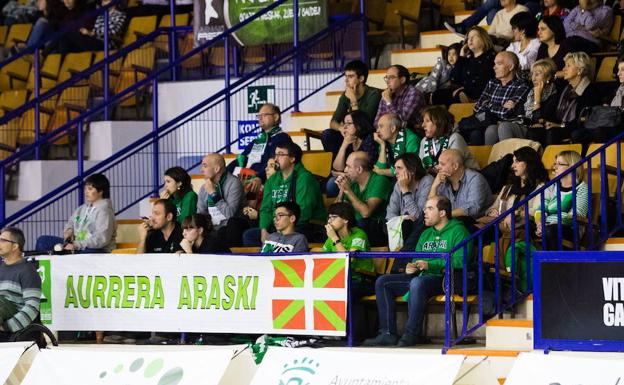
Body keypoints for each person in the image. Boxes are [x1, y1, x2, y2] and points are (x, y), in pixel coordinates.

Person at [363, 195, 472, 347]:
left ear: (442, 213)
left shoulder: (459, 232)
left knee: (417, 282)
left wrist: (430, 265)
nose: (424, 212)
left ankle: (413, 333)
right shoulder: (426, 233)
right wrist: (412, 266)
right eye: (425, 208)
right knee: (383, 281)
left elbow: (461, 261)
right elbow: (417, 258)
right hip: (421, 276)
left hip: (445, 278)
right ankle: (387, 333)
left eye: (430, 208)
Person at [243, 142, 326, 246]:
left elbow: (304, 212)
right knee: (250, 235)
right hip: (279, 225)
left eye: (281, 154)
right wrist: (264, 230)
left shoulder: (305, 178)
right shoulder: (272, 180)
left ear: (292, 159)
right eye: (275, 154)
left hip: (304, 226)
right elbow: (266, 209)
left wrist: (282, 229)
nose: (276, 159)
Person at [459, 51, 530, 145]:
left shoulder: (521, 86)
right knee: (476, 133)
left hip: (507, 125)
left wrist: (488, 104)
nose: (494, 67)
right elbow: (477, 109)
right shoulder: (492, 83)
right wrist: (499, 106)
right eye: (494, 63)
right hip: (488, 122)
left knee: (491, 130)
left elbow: (506, 113)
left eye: (499, 63)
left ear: (511, 67)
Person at [35, 173, 116, 253]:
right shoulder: (82, 209)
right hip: (78, 245)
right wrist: (69, 231)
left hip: (97, 249)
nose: (86, 192)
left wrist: (77, 245)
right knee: (42, 241)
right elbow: (71, 222)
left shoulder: (105, 211)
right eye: (85, 189)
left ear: (101, 191)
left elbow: (101, 239)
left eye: (90, 189)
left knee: (82, 253)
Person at [536, 52, 602, 145]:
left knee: (552, 132)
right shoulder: (564, 89)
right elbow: (549, 112)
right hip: (561, 127)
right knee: (534, 132)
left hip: (578, 129)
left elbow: (583, 120)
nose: (564, 69)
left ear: (580, 70)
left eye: (568, 66)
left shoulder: (590, 91)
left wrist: (560, 125)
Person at [226, 103, 292, 193]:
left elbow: (273, 163)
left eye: (264, 115)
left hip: (262, 181)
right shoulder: (258, 139)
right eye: (259, 116)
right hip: (245, 177)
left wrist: (259, 177)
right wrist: (223, 174)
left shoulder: (282, 138)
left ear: (276, 117)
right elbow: (241, 158)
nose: (260, 118)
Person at [322, 60, 381, 157]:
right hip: (350, 135)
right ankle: (338, 168)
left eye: (350, 76)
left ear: (361, 78)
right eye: (346, 76)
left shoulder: (373, 94)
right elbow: (333, 122)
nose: (346, 80)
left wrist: (353, 100)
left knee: (364, 135)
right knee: (328, 134)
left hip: (366, 135)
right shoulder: (346, 95)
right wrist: (341, 128)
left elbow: (363, 124)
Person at [534, 150, 588, 250]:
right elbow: (540, 209)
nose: (555, 167)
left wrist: (556, 223)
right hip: (548, 227)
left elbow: (577, 214)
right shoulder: (551, 186)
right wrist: (539, 224)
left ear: (572, 167)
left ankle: (553, 264)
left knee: (551, 230)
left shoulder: (582, 188)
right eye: (555, 163)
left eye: (560, 164)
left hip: (570, 229)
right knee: (524, 230)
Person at [336, 151, 393, 246]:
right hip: (355, 228)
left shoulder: (380, 181)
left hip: (376, 229)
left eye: (348, 166)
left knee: (363, 223)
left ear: (359, 169)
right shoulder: (352, 183)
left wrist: (348, 190)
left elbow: (366, 213)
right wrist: (342, 191)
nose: (345, 170)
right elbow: (336, 212)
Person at [498, 59, 560, 141]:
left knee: (505, 127)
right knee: (493, 128)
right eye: (532, 74)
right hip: (525, 126)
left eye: (537, 74)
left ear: (548, 77)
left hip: (539, 131)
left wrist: (537, 98)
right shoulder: (530, 92)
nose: (533, 78)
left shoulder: (554, 95)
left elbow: (538, 120)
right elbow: (519, 113)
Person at [431, 27, 496, 106]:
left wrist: (463, 89)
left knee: (457, 95)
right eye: (468, 38)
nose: (470, 40)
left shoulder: (491, 57)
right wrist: (461, 57)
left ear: (483, 38)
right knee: (436, 94)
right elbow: (454, 79)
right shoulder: (467, 59)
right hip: (464, 92)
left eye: (474, 36)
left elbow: (484, 80)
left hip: (481, 93)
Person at [323, 202, 374, 297]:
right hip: (340, 279)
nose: (329, 221)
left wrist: (334, 238)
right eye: (328, 218)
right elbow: (323, 261)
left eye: (333, 217)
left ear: (346, 219)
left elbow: (348, 260)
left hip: (361, 279)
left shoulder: (359, 235)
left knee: (340, 293)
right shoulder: (331, 239)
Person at [0, 227, 41, 341]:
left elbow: (32, 308)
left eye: (3, 240)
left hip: (15, 329)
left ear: (15, 246)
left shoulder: (28, 271)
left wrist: (6, 327)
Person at [385, 154, 434, 248]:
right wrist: (402, 219)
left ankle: (404, 255)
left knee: (408, 225)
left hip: (420, 226)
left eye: (399, 168)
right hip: (403, 224)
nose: (395, 172)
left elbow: (419, 216)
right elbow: (390, 214)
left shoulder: (427, 181)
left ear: (412, 170)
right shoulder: (398, 184)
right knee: (386, 225)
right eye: (395, 168)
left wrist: (405, 190)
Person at [429, 149, 493, 220]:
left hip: (476, 223)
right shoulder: (443, 181)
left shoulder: (475, 179)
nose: (438, 167)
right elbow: (431, 207)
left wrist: (444, 215)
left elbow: (473, 209)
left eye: (442, 164)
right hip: (454, 222)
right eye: (438, 163)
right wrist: (434, 186)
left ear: (455, 166)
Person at [326, 110, 378, 197]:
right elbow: (337, 167)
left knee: (332, 183)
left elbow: (367, 168)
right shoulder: (348, 140)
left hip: (365, 177)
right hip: (351, 176)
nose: (344, 127)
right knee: (332, 183)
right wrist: (344, 145)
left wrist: (343, 174)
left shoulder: (369, 139)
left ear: (359, 125)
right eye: (344, 123)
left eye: (349, 123)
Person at [418, 105, 479, 172]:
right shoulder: (424, 141)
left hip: (466, 179)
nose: (423, 125)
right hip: (439, 180)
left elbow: (452, 168)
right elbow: (422, 169)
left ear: (439, 122)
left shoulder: (455, 138)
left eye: (427, 121)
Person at [197, 153, 245, 229]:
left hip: (229, 228)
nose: (201, 170)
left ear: (217, 169)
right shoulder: (204, 187)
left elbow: (230, 214)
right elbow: (200, 214)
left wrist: (213, 194)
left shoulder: (234, 183)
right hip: (211, 229)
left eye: (205, 166)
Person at [373, 64, 425, 130]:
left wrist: (389, 102)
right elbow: (377, 121)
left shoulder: (413, 93)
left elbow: (402, 121)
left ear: (402, 80)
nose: (387, 81)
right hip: (390, 133)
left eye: (391, 77)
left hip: (411, 133)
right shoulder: (387, 93)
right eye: (386, 78)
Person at [373, 113, 421, 177]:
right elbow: (381, 167)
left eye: (381, 126)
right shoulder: (384, 141)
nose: (377, 131)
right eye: (377, 127)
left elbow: (407, 167)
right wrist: (382, 145)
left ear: (393, 128)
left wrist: (381, 172)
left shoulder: (411, 139)